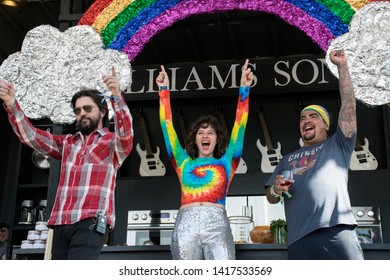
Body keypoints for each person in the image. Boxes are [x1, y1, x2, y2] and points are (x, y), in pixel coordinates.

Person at [0, 67, 133, 260]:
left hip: (92, 219)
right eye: (78, 110)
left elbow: (127, 133)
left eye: (88, 108)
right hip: (61, 221)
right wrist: (12, 104)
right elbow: (31, 136)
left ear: (103, 112)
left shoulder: (112, 143)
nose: (82, 113)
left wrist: (117, 96)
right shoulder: (67, 143)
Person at [265, 50, 364, 260]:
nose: (306, 120)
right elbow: (271, 198)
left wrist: (343, 67)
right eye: (302, 118)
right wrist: (275, 189)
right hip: (299, 238)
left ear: (326, 125)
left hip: (337, 229)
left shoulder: (338, 145)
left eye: (313, 116)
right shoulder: (286, 159)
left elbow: (348, 107)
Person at [156, 59, 253, 260]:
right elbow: (167, 126)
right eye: (201, 133)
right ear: (194, 138)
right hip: (186, 225)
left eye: (210, 132)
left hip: (217, 224)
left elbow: (239, 124)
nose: (206, 136)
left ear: (217, 138)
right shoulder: (183, 162)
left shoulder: (227, 163)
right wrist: (163, 91)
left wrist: (244, 89)